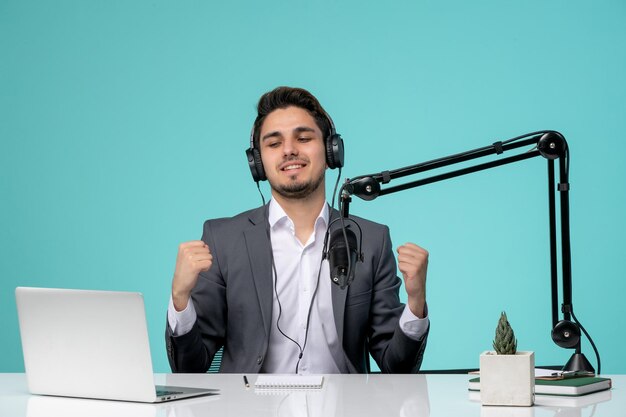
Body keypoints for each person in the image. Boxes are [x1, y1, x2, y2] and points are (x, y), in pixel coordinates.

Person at [165, 86, 430, 374]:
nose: (290, 150)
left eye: (303, 138)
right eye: (274, 143)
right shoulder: (223, 239)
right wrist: (180, 299)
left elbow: (397, 368)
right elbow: (190, 367)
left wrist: (416, 302)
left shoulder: (372, 241)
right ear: (257, 163)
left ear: (331, 151)